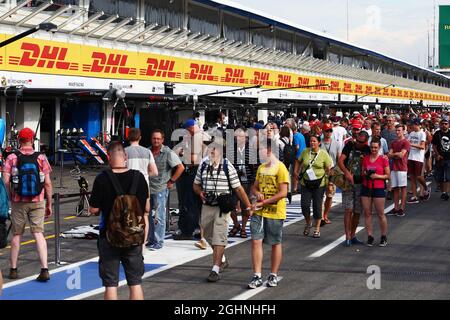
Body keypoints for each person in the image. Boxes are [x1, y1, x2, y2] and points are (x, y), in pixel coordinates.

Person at [89, 141, 150, 300]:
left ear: (108, 157)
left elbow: (94, 209)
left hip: (109, 236)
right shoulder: (139, 178)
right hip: (134, 236)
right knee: (135, 283)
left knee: (110, 284)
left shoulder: (102, 179)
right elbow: (146, 208)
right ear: (126, 156)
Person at [193, 138, 252, 283]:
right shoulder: (203, 165)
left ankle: (215, 269)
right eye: (210, 149)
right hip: (207, 205)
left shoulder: (227, 166)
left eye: (215, 149)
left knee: (219, 236)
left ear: (220, 151)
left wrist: (248, 206)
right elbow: (196, 185)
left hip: (222, 207)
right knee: (207, 235)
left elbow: (238, 188)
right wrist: (199, 192)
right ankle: (222, 259)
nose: (212, 152)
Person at [3, 127, 53, 281]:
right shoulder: (41, 158)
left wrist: (10, 195)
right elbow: (48, 184)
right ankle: (44, 268)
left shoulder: (11, 157)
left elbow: (5, 180)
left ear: (19, 140)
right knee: (38, 233)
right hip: (38, 200)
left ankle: (13, 269)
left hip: (18, 201)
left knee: (17, 234)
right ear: (32, 140)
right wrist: (49, 204)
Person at [248, 139, 289, 289]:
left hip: (274, 211)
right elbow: (254, 187)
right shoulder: (261, 168)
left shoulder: (281, 168)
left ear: (269, 151)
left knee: (274, 242)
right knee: (255, 240)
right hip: (259, 210)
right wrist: (257, 193)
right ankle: (257, 275)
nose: (259, 154)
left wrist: (264, 202)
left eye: (261, 151)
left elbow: (283, 193)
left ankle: (273, 274)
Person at [148, 129, 185, 250]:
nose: (156, 140)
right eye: (154, 138)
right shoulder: (147, 151)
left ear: (162, 140)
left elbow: (180, 167)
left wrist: (172, 181)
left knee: (159, 216)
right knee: (148, 215)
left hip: (161, 188)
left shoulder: (168, 152)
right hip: (148, 189)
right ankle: (151, 239)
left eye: (158, 138)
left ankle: (159, 241)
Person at [173, 119, 207, 240]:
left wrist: (182, 154)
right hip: (204, 173)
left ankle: (187, 230)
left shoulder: (196, 137)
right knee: (199, 204)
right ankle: (200, 229)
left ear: (190, 128)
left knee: (189, 203)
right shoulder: (205, 135)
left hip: (193, 172)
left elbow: (192, 159)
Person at [125, 128, 158, 249]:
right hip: (144, 186)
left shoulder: (124, 152)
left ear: (129, 138)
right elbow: (155, 172)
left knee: (128, 214)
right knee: (145, 215)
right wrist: (144, 174)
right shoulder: (147, 152)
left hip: (128, 187)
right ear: (140, 138)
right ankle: (143, 245)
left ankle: (129, 241)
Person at [294, 135, 332, 238]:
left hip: (319, 183)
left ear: (319, 143)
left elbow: (329, 169)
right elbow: (298, 161)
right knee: (304, 205)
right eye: (311, 141)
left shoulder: (323, 154)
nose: (312, 143)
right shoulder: (305, 152)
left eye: (314, 141)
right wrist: (296, 171)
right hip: (305, 182)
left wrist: (329, 183)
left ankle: (317, 228)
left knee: (317, 206)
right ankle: (308, 222)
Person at [338, 130, 370, 246]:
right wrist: (346, 173)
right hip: (348, 182)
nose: (358, 143)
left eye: (361, 142)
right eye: (357, 140)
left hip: (361, 183)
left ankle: (353, 235)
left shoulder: (367, 149)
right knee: (348, 209)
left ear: (365, 142)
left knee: (357, 211)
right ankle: (347, 236)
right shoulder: (350, 145)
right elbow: (341, 160)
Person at [361, 139, 390, 247]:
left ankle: (383, 236)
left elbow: (388, 175)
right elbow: (362, 171)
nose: (373, 149)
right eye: (372, 147)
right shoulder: (366, 158)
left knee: (380, 214)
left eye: (375, 147)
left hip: (378, 187)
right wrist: (366, 173)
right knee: (367, 213)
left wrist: (377, 176)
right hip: (366, 187)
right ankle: (370, 236)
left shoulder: (383, 159)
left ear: (379, 148)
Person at [229, 127, 254, 239]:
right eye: (238, 137)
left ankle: (243, 227)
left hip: (246, 181)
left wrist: (253, 182)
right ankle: (236, 224)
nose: (240, 139)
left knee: (245, 206)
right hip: (233, 181)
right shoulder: (230, 150)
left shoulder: (251, 150)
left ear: (246, 138)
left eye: (242, 137)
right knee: (231, 205)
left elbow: (254, 167)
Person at [387, 124, 411, 216]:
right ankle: (396, 208)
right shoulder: (394, 142)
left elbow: (402, 155)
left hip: (402, 168)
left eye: (399, 130)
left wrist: (395, 154)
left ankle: (402, 208)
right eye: (396, 130)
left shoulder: (406, 142)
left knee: (403, 188)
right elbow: (389, 155)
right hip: (394, 168)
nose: (397, 132)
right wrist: (396, 154)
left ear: (403, 131)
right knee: (395, 188)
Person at [320, 123, 341, 225]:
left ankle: (325, 215)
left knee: (329, 195)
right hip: (320, 172)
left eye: (330, 131)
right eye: (326, 131)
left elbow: (339, 159)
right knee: (319, 195)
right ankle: (320, 217)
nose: (328, 133)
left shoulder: (336, 144)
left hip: (332, 172)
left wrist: (337, 172)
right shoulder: (319, 143)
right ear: (323, 132)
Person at [407, 119, 430, 204]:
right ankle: (414, 196)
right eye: (413, 124)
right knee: (412, 177)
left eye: (415, 124)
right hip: (411, 157)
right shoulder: (411, 133)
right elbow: (407, 142)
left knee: (418, 177)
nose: (413, 126)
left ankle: (426, 188)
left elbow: (422, 146)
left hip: (418, 158)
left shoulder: (422, 133)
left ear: (418, 125)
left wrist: (411, 144)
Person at [432, 117, 450, 201]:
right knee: (439, 177)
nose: (444, 125)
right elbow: (434, 146)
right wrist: (437, 154)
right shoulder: (437, 133)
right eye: (442, 124)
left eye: (446, 124)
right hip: (440, 159)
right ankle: (443, 192)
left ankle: (445, 193)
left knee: (448, 177)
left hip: (449, 159)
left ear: (448, 124)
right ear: (440, 125)